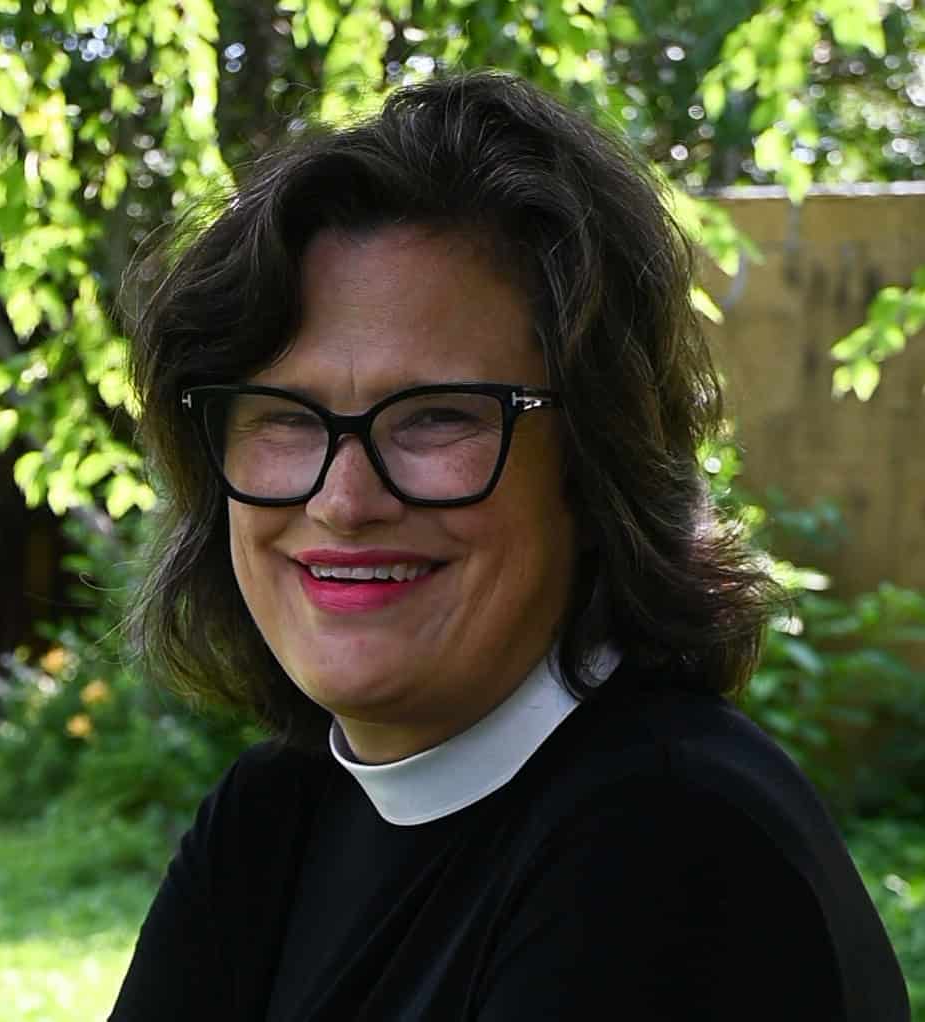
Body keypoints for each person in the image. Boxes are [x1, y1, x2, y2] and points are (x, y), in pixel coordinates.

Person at [110, 72, 909, 1020]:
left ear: (596, 462)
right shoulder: (276, 812)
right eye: (284, 418)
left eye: (437, 417)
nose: (344, 500)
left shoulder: (674, 849)